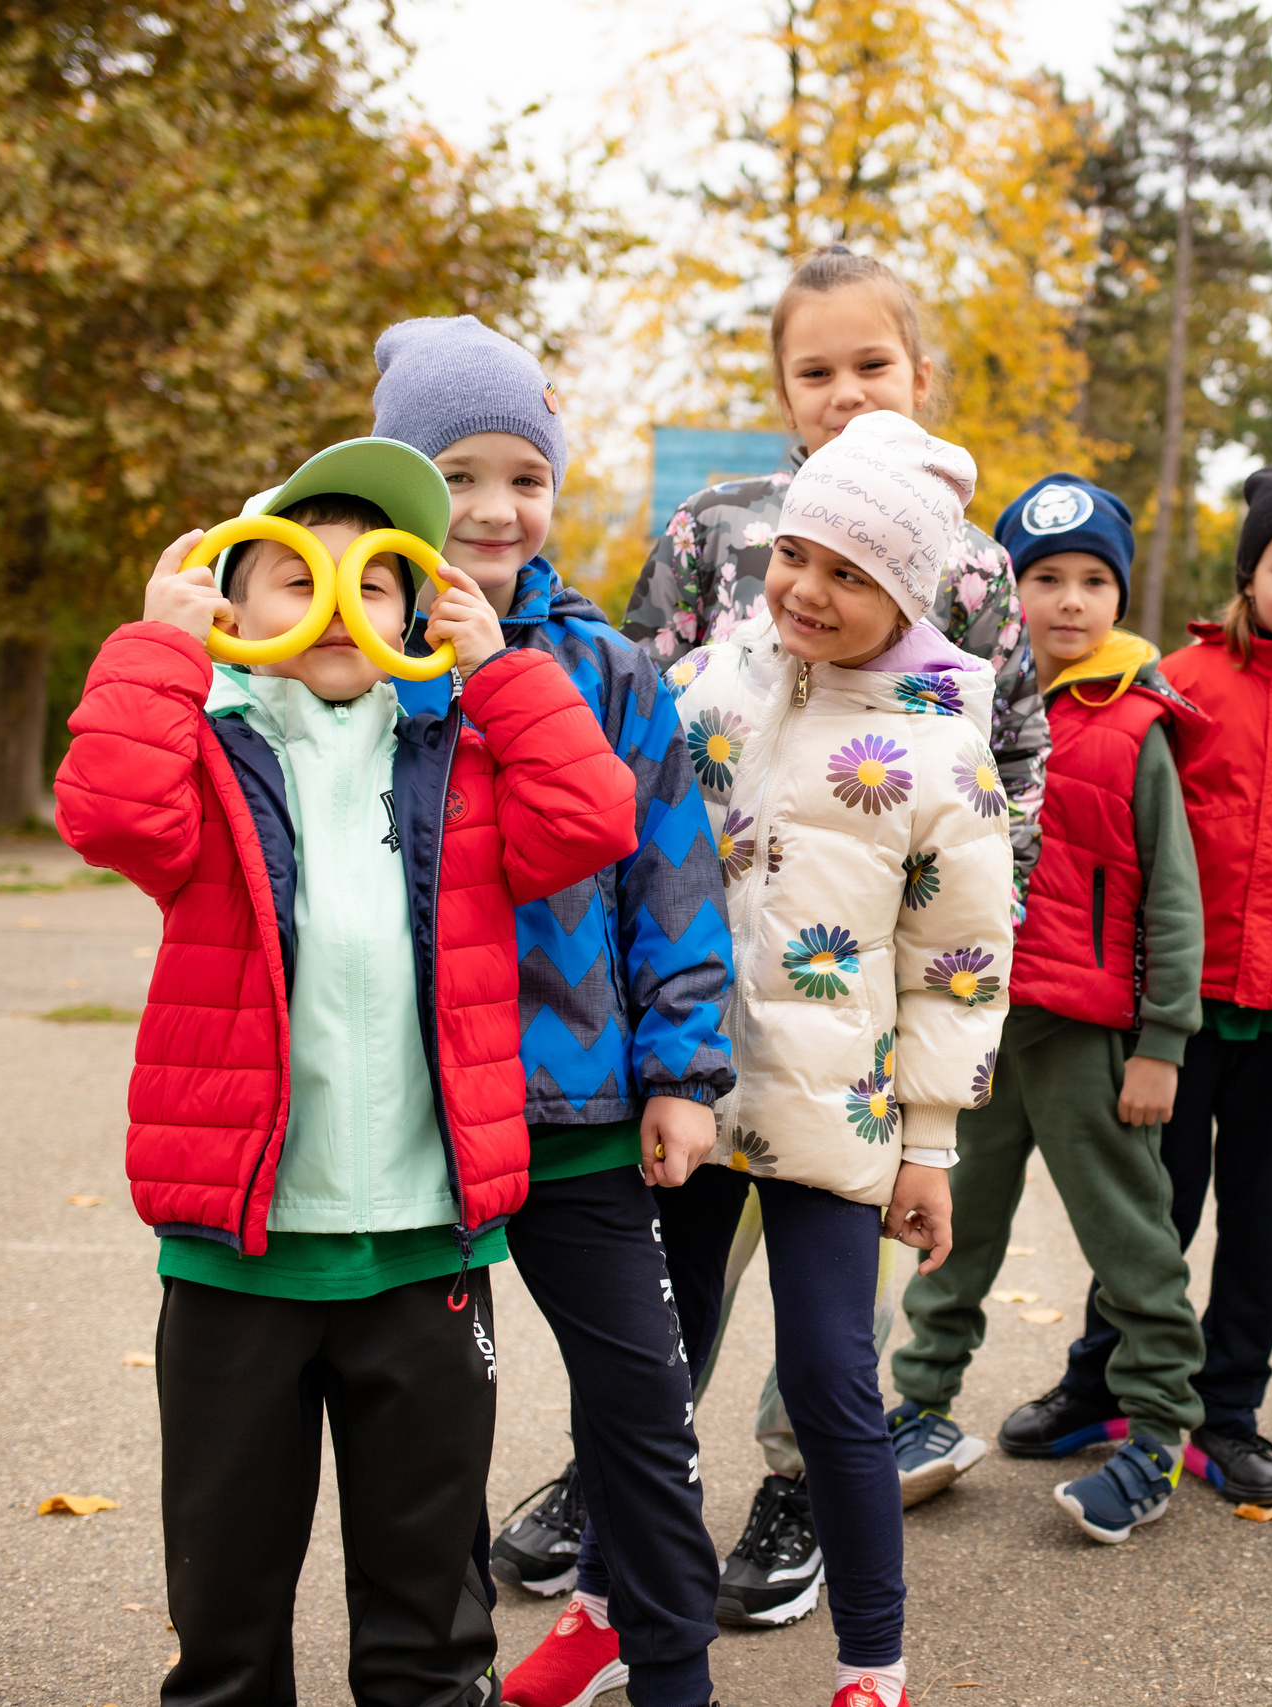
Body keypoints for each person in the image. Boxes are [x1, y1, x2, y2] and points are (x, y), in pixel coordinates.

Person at [54, 439, 639, 1705]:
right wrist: (161, 649)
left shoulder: (463, 765)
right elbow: (110, 815)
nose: (331, 604)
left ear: (413, 609)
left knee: (431, 1611)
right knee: (227, 1607)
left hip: (426, 1254)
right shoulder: (205, 755)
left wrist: (497, 671)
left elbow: (592, 817)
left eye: (369, 581)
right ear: (233, 604)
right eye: (290, 577)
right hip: (238, 1262)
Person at [612, 247, 1048, 1618]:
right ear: (783, 388)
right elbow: (629, 749)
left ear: (920, 374)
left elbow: (995, 823)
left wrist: (928, 1105)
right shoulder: (713, 570)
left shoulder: (963, 617)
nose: (848, 389)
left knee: (828, 1347)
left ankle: (807, 1497)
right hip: (692, 1051)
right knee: (655, 1334)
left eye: (875, 364)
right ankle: (626, 1547)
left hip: (841, 1065)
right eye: (818, 369)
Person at [361, 318, 738, 1707]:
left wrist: (683, 1072)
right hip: (421, 1122)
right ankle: (441, 1671)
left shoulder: (616, 673)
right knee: (431, 1431)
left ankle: (672, 1670)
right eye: (458, 473)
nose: (495, 508)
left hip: (582, 1110)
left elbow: (672, 891)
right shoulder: (354, 663)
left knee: (641, 1408)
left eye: (524, 473)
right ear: (400, 484)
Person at [657, 410, 1015, 1707]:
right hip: (688, 1092)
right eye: (797, 553)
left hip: (832, 1116)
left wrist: (929, 1144)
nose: (806, 587)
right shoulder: (719, 680)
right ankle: (612, 1601)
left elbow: (960, 964)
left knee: (826, 1377)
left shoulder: (938, 745)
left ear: (906, 591)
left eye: (850, 572)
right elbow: (637, 828)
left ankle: (874, 1661)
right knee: (654, 1361)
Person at [1005, 465, 1272, 1510]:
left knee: (1260, 1220)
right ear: (1248, 574)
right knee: (1148, 1212)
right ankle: (1100, 1382)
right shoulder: (1182, 680)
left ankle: (1230, 1412)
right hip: (1180, 1007)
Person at [885, 474, 1210, 1545]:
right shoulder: (959, 701)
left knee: (1130, 1238)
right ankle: (922, 1409)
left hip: (1084, 1033)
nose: (1068, 602)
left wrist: (1161, 1040)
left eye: (1092, 580)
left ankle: (1158, 1428)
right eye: (1042, 579)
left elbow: (1171, 892)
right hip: (972, 1023)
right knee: (949, 1231)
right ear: (1005, 590)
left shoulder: (1137, 726)